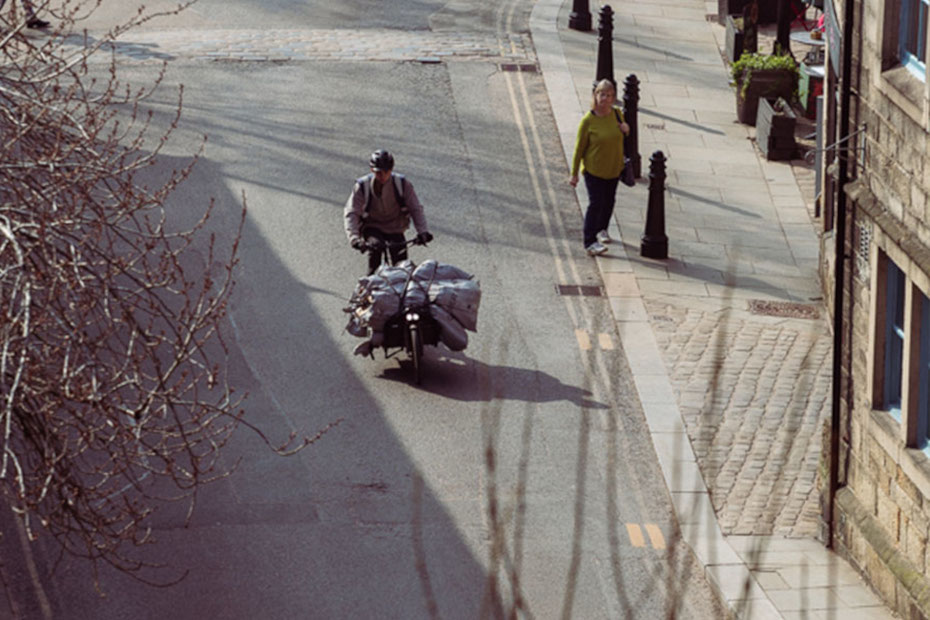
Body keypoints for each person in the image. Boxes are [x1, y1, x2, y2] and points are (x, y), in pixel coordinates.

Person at [345, 149, 433, 275]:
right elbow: (352, 212)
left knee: (403, 266)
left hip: (395, 227)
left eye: (386, 172)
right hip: (372, 226)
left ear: (391, 170)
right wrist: (354, 238)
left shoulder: (402, 184)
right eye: (379, 172)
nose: (383, 176)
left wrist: (423, 232)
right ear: (372, 170)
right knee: (375, 250)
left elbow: (415, 209)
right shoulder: (362, 186)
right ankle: (369, 287)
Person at [569, 78, 630, 256]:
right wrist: (574, 174)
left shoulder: (618, 114)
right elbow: (579, 149)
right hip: (593, 170)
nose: (605, 99)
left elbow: (624, 135)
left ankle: (602, 229)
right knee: (595, 204)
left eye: (609, 95)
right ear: (595, 95)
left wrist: (627, 129)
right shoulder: (588, 120)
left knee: (609, 201)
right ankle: (589, 242)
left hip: (613, 168)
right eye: (602, 94)